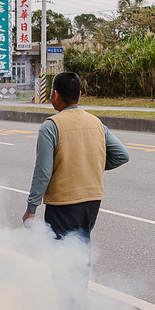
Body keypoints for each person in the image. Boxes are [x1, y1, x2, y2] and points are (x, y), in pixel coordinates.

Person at [22, 72, 129, 241]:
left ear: (55, 95)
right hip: (92, 201)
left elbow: (43, 171)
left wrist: (31, 208)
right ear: (79, 94)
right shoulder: (96, 123)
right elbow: (122, 155)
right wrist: (92, 164)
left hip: (63, 203)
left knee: (62, 258)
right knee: (79, 250)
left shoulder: (50, 127)